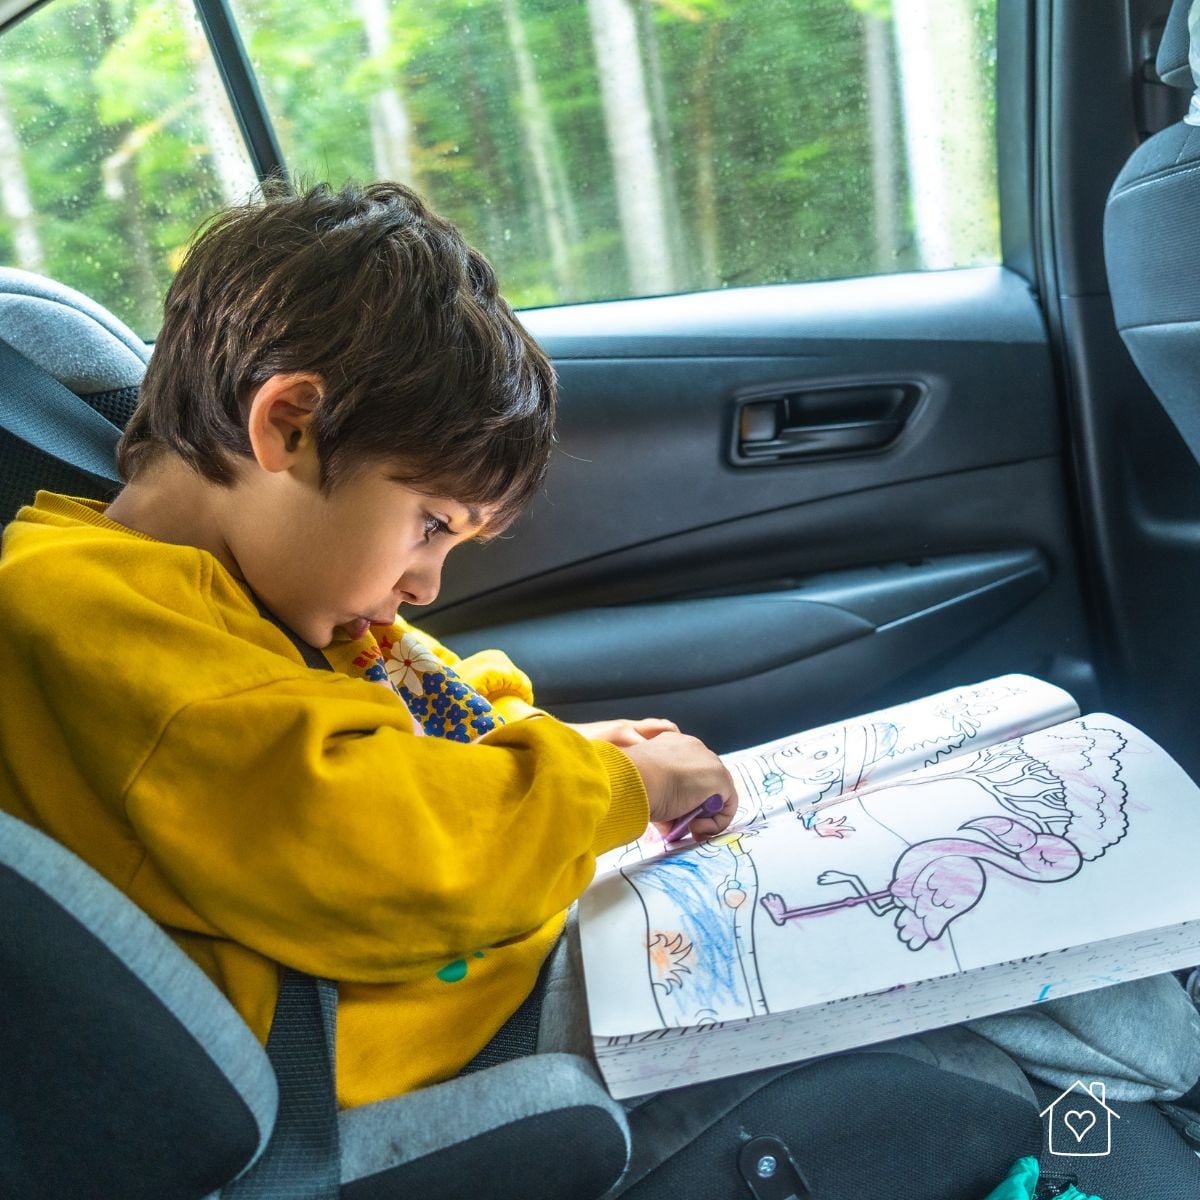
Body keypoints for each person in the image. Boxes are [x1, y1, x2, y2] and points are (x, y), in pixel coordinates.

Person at [1, 180, 1198, 1191]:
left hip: (479, 967)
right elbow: (382, 847)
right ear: (291, 425)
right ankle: (1144, 1119)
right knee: (1012, 988)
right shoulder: (97, 614)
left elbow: (416, 719)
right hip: (433, 1030)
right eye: (430, 525)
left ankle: (1140, 1099)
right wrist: (606, 788)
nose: (424, 585)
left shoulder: (226, 597)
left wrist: (571, 750)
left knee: (1019, 960)